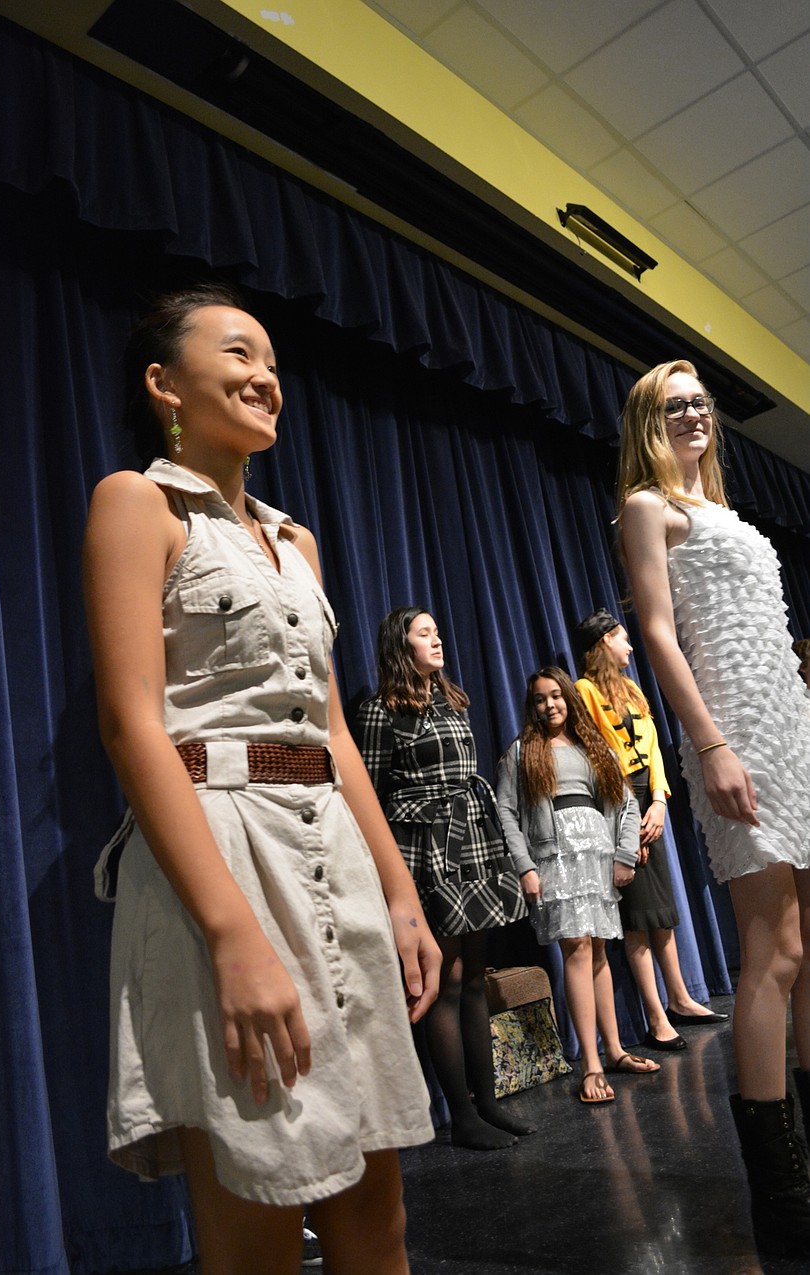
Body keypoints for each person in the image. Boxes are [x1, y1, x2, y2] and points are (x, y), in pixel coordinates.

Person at [83, 283, 441, 1275]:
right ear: (164, 383)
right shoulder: (137, 503)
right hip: (222, 855)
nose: (265, 379)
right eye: (239, 354)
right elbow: (131, 723)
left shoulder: (297, 543)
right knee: (257, 1218)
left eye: (274, 366)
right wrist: (232, 933)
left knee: (377, 1213)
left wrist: (401, 892)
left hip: (329, 848)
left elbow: (328, 728)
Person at [617, 358, 810, 1257]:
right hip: (732, 733)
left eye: (701, 402)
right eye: (673, 403)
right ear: (648, 421)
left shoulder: (729, 512)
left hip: (791, 732)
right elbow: (657, 631)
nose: (693, 413)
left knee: (809, 953)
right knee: (772, 953)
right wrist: (710, 745)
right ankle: (784, 1192)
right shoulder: (648, 507)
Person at [357, 607, 533, 1149]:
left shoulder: (452, 701)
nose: (437, 640)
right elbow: (369, 795)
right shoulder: (380, 712)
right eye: (424, 633)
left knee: (477, 977)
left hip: (473, 841)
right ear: (400, 645)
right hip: (427, 850)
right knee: (449, 982)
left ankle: (489, 1103)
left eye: (438, 630)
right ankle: (460, 1115)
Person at [496, 666, 660, 1105]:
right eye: (540, 699)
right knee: (577, 948)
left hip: (595, 853)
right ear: (531, 707)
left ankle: (614, 1050)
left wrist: (624, 855)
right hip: (555, 857)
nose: (550, 705)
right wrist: (525, 866)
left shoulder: (593, 747)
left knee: (600, 948)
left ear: (568, 698)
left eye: (556, 696)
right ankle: (589, 1062)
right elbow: (507, 813)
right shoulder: (520, 753)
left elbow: (625, 804)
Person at [573, 607, 729, 1050]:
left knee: (660, 909)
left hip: (648, 802)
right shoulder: (584, 691)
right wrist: (625, 828)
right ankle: (656, 1017)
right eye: (622, 638)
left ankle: (680, 997)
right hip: (618, 802)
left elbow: (656, 750)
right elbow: (598, 758)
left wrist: (659, 800)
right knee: (638, 917)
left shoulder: (632, 689)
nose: (629, 646)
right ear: (604, 642)